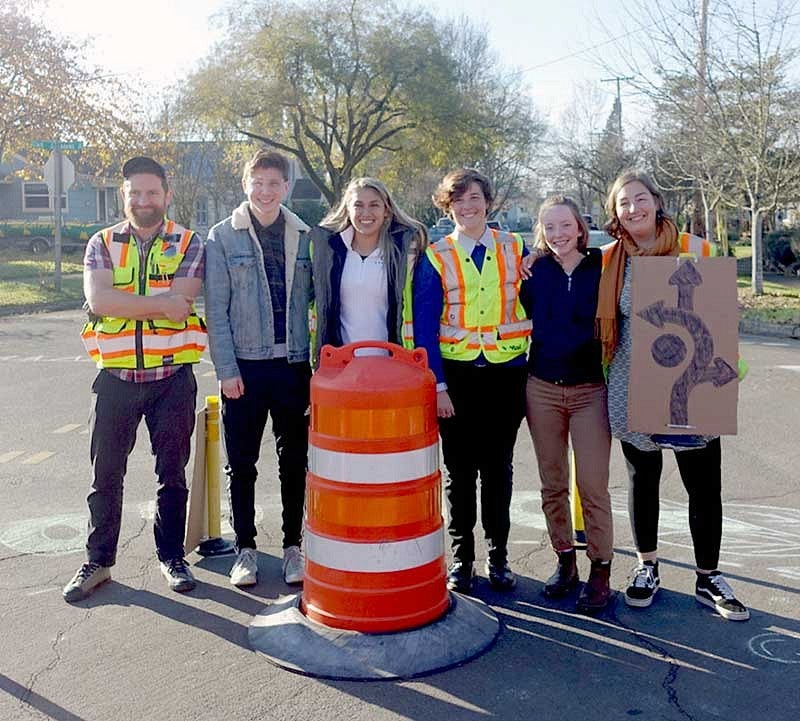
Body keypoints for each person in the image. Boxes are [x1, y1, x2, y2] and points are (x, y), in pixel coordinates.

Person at [598, 170, 749, 621]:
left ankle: (709, 577)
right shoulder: (608, 260)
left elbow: (720, 309)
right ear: (615, 212)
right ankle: (648, 567)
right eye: (623, 203)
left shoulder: (696, 249)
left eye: (640, 199)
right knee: (641, 479)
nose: (633, 209)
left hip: (693, 382)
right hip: (631, 383)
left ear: (657, 202)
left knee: (703, 484)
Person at [64, 156, 206, 603]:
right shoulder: (101, 242)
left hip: (172, 379)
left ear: (166, 195)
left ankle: (171, 557)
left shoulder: (188, 242)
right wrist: (155, 303)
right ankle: (99, 561)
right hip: (116, 379)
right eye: (134, 193)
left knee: (172, 474)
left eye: (151, 193)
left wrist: (124, 300)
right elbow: (99, 300)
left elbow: (181, 304)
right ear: (124, 196)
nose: (143, 201)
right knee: (105, 475)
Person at [413, 168, 531, 594]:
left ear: (488, 201)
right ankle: (462, 558)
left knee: (499, 469)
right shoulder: (436, 255)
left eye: (475, 197)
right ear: (447, 206)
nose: (468, 206)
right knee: (460, 472)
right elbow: (424, 327)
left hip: (506, 374)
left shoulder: (517, 247)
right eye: (459, 200)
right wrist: (438, 385)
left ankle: (498, 557)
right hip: (457, 377)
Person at [204, 149, 313, 588]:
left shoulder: (306, 235)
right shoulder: (222, 237)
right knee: (242, 463)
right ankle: (245, 548)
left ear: (286, 187)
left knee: (294, 461)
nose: (266, 192)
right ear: (246, 185)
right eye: (258, 183)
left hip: (293, 368)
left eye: (274, 184)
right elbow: (217, 310)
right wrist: (227, 369)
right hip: (245, 369)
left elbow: (319, 302)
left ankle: (292, 547)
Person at [521, 196, 613, 613]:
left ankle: (600, 569)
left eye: (565, 226)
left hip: (590, 389)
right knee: (552, 481)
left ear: (580, 227)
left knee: (592, 485)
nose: (558, 235)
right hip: (541, 387)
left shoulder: (603, 267)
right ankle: (565, 561)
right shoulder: (533, 270)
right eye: (549, 227)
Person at [309, 177, 427, 365]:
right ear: (348, 209)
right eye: (358, 205)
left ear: (386, 210)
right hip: (341, 367)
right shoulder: (327, 251)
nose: (366, 213)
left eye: (374, 205)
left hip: (393, 366)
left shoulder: (406, 252)